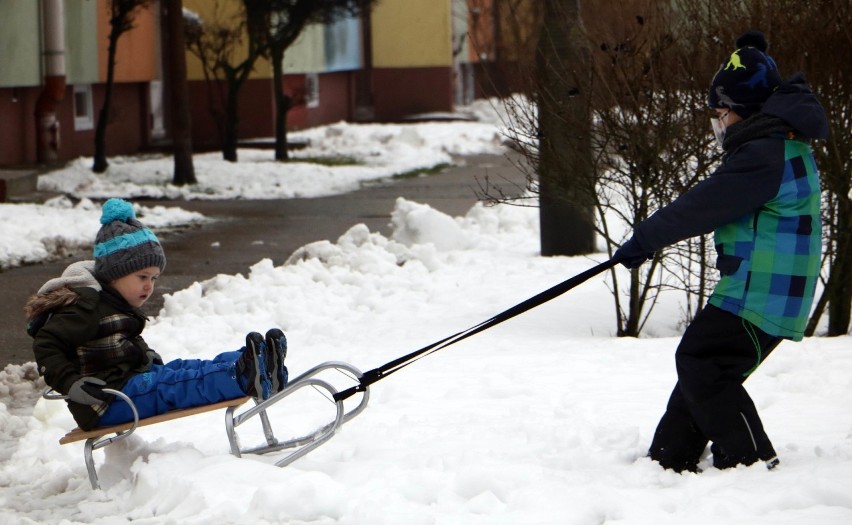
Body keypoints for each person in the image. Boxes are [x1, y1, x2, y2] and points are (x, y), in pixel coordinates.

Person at [614, 31, 828, 472]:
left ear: (743, 111)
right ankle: (669, 458)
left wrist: (643, 241)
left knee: (703, 362)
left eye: (722, 111)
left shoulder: (763, 156)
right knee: (704, 371)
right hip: (760, 286)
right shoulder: (779, 145)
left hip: (761, 291)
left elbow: (700, 207)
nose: (718, 121)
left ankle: (750, 460)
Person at [27, 198, 290, 431]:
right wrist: (71, 384)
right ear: (114, 274)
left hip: (126, 386)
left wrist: (143, 353)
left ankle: (254, 363)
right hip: (108, 402)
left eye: (153, 278)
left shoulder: (112, 302)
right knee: (174, 384)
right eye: (142, 277)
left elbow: (120, 339)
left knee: (183, 368)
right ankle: (242, 375)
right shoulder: (85, 307)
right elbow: (47, 345)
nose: (149, 286)